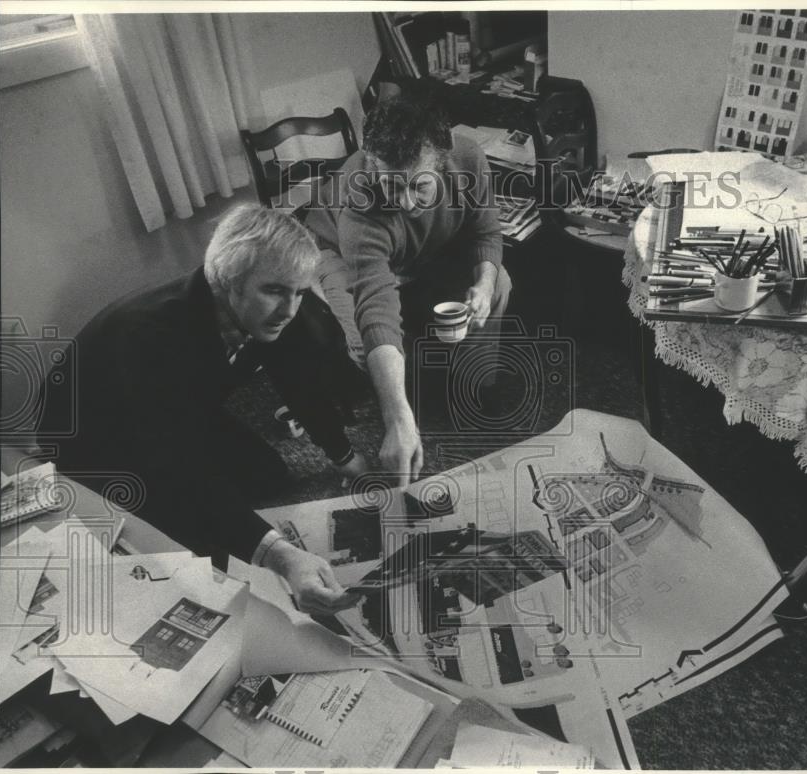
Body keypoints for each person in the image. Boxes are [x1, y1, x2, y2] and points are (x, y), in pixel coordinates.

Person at [40, 204, 365, 615]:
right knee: (193, 541)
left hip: (178, 402)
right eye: (276, 291)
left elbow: (297, 380)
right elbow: (177, 463)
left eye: (299, 292)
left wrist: (345, 455)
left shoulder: (274, 308)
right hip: (91, 433)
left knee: (266, 474)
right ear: (230, 280)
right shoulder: (149, 337)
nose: (290, 309)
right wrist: (282, 557)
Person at [306, 93, 512, 489]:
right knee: (364, 341)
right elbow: (375, 305)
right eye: (391, 186)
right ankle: (403, 403)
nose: (403, 202)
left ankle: (474, 386)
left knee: (500, 282)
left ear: (444, 162)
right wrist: (397, 417)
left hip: (419, 252)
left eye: (419, 187)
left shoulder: (468, 159)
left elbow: (485, 232)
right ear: (371, 162)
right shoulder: (359, 197)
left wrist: (484, 285)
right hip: (334, 251)